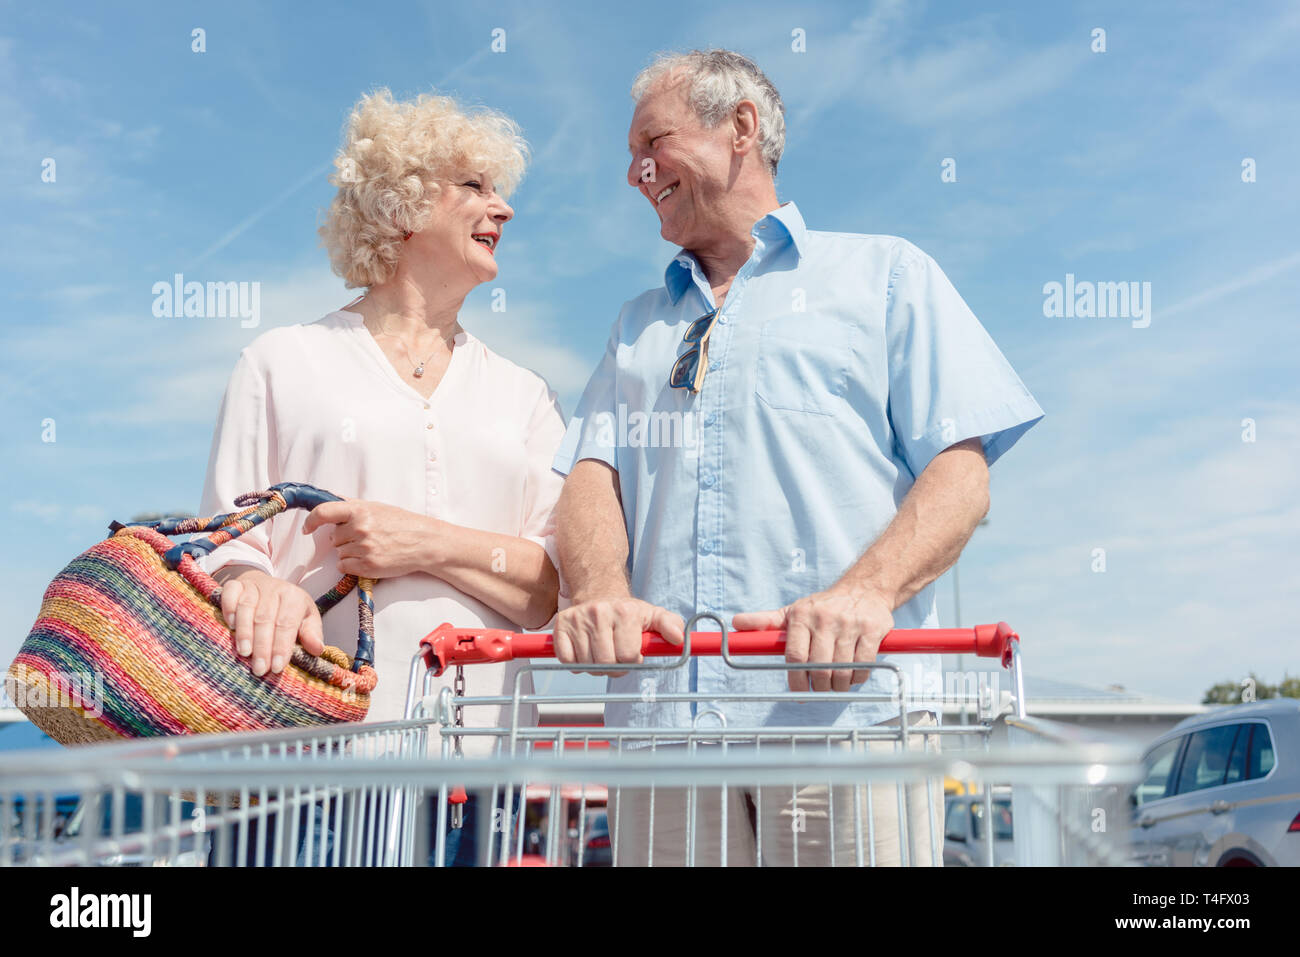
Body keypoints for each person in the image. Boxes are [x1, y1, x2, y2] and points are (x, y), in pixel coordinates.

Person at [550, 50, 1045, 866]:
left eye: (653, 142)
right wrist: (602, 591)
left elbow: (961, 473)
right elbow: (590, 478)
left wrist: (866, 593)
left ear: (740, 126)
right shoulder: (635, 324)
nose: (636, 172)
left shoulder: (885, 274)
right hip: (665, 739)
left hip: (842, 726)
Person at [197, 88, 564, 866]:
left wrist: (420, 542)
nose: (501, 207)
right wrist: (251, 580)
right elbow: (225, 542)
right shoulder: (280, 362)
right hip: (305, 763)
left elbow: (552, 588)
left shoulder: (525, 395)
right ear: (401, 205)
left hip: (478, 769)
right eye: (473, 186)